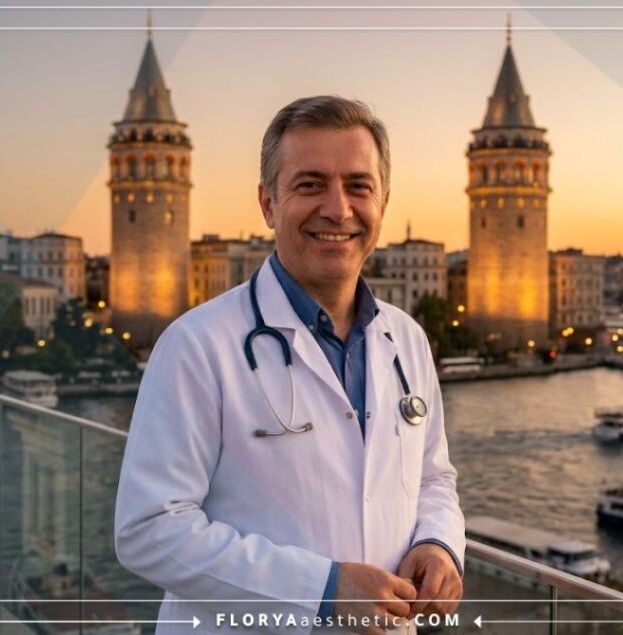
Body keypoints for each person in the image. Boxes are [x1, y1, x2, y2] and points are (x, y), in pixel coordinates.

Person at [115, 95, 465, 635]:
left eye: (358, 185)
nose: (338, 208)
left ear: (383, 202)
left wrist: (438, 544)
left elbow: (433, 477)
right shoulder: (196, 345)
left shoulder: (408, 340)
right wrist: (321, 591)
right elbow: (150, 529)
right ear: (268, 204)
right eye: (309, 185)